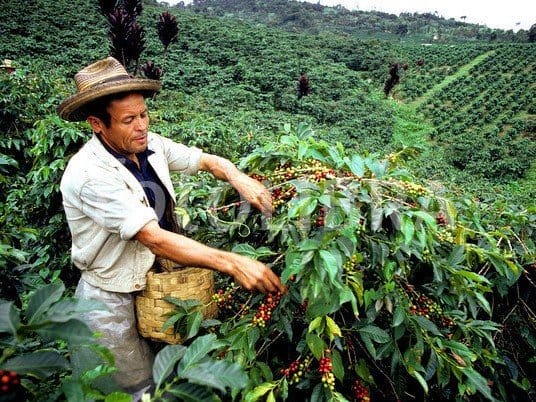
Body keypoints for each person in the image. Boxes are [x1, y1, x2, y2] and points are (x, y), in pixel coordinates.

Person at [57, 57, 285, 395]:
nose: (141, 126)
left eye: (144, 114)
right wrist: (234, 263)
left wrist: (238, 176)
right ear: (97, 124)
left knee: (167, 372)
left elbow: (203, 160)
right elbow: (153, 238)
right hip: (111, 297)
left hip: (158, 285)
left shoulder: (149, 145)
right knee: (131, 389)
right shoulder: (90, 174)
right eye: (129, 120)